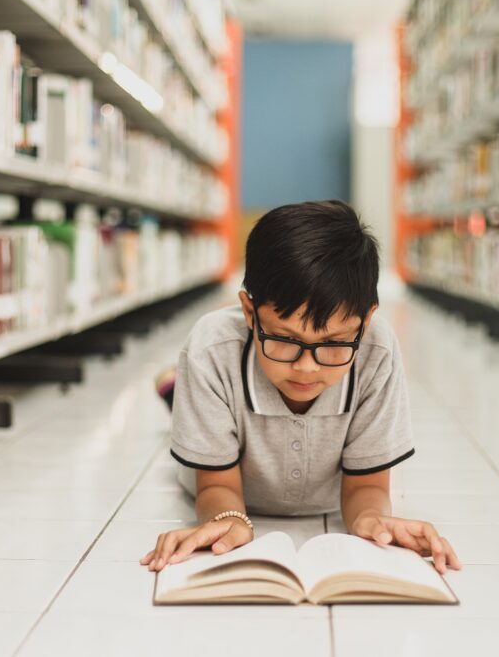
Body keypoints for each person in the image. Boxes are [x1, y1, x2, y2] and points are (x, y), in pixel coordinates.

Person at [140, 200, 461, 575]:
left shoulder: (377, 349)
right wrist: (227, 518)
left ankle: (177, 390)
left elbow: (365, 489)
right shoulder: (210, 348)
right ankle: (177, 391)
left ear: (366, 320)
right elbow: (215, 486)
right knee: (190, 401)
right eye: (283, 339)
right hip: (223, 478)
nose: (306, 367)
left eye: (334, 343)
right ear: (248, 312)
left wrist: (374, 520)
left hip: (328, 496)